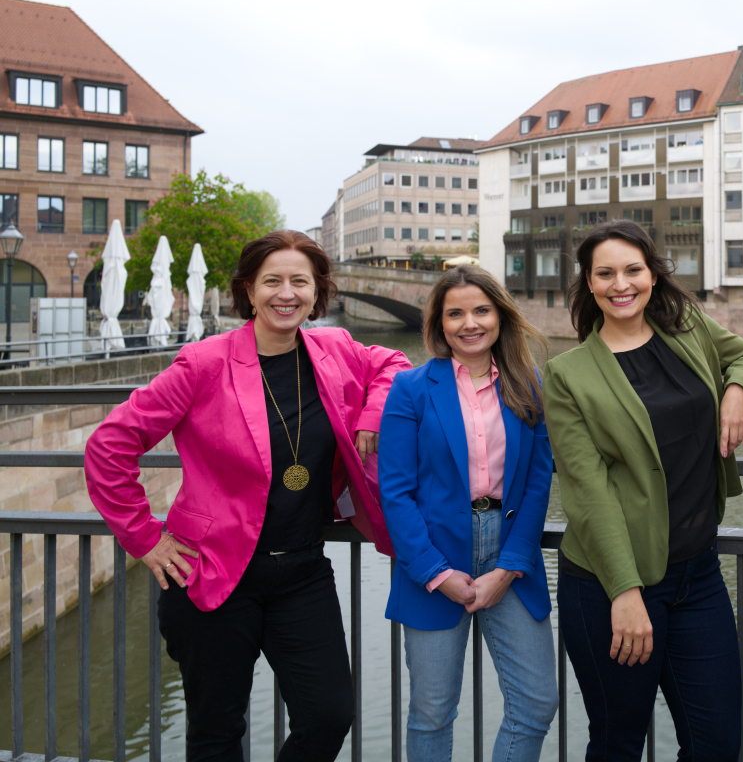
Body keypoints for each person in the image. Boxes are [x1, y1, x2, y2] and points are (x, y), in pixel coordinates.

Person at [85, 230, 410, 762]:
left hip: (302, 571)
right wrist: (144, 539)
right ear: (249, 291)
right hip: (212, 573)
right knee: (217, 731)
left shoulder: (335, 349)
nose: (288, 293)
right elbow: (108, 447)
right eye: (273, 281)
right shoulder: (203, 362)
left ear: (317, 290)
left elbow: (394, 364)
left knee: (329, 716)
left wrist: (372, 415)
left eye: (300, 281)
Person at [542, 220, 743, 761]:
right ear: (589, 284)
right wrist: (624, 591)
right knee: (619, 743)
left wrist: (736, 391)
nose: (622, 284)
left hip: (698, 575)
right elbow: (588, 492)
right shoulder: (568, 374)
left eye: (633, 270)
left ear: (652, 273)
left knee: (716, 747)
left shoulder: (687, 327)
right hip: (609, 584)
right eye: (606, 274)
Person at [378, 265, 558, 762]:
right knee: (432, 711)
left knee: (537, 701)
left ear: (500, 315)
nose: (469, 323)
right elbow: (395, 491)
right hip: (434, 554)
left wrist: (512, 563)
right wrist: (435, 573)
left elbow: (540, 478)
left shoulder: (529, 385)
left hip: (509, 551)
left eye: (481, 310)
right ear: (438, 322)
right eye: (454, 313)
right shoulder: (411, 389)